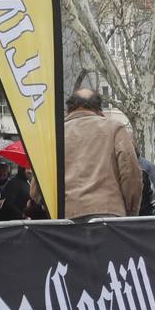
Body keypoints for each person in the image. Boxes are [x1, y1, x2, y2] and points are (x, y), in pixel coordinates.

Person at [63, 88, 142, 221]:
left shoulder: (55, 133)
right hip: (107, 214)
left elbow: (39, 185)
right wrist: (131, 211)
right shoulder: (115, 128)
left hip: (66, 216)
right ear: (99, 108)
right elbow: (131, 174)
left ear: (69, 109)